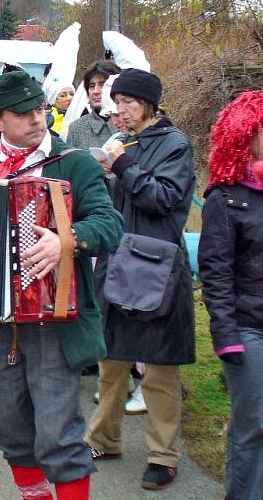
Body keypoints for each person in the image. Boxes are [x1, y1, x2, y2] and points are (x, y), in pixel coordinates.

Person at [0, 70, 123, 499]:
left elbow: (109, 222)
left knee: (58, 434)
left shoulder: (73, 162)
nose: (37, 119)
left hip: (54, 319)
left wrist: (68, 240)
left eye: (39, 109)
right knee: (13, 432)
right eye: (22, 114)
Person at [85, 68, 196, 491]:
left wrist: (123, 165)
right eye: (117, 103)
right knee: (110, 361)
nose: (120, 111)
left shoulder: (174, 144)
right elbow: (119, 199)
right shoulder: (124, 143)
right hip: (118, 261)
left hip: (156, 267)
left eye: (128, 102)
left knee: (160, 370)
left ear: (149, 103)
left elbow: (164, 199)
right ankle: (103, 438)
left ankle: (163, 454)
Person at [198, 90, 263, 500]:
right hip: (248, 326)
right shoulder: (226, 198)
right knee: (253, 423)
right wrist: (225, 335)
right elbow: (216, 272)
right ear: (245, 134)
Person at [65, 60, 121, 150]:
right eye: (91, 86)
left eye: (102, 85)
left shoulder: (129, 124)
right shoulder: (76, 129)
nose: (95, 91)